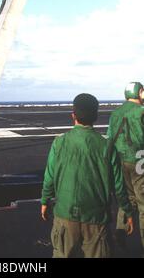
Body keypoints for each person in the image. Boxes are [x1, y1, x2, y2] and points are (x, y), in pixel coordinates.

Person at [41, 93, 133, 258]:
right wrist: (126, 210)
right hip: (96, 218)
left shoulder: (59, 142)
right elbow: (118, 185)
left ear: (73, 115)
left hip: (65, 213)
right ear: (96, 116)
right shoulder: (107, 146)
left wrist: (44, 201)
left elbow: (49, 177)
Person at [107, 82, 144, 252]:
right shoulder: (142, 111)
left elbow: (110, 138)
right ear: (139, 93)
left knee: (126, 197)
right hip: (139, 161)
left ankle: (120, 230)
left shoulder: (115, 113)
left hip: (120, 161)